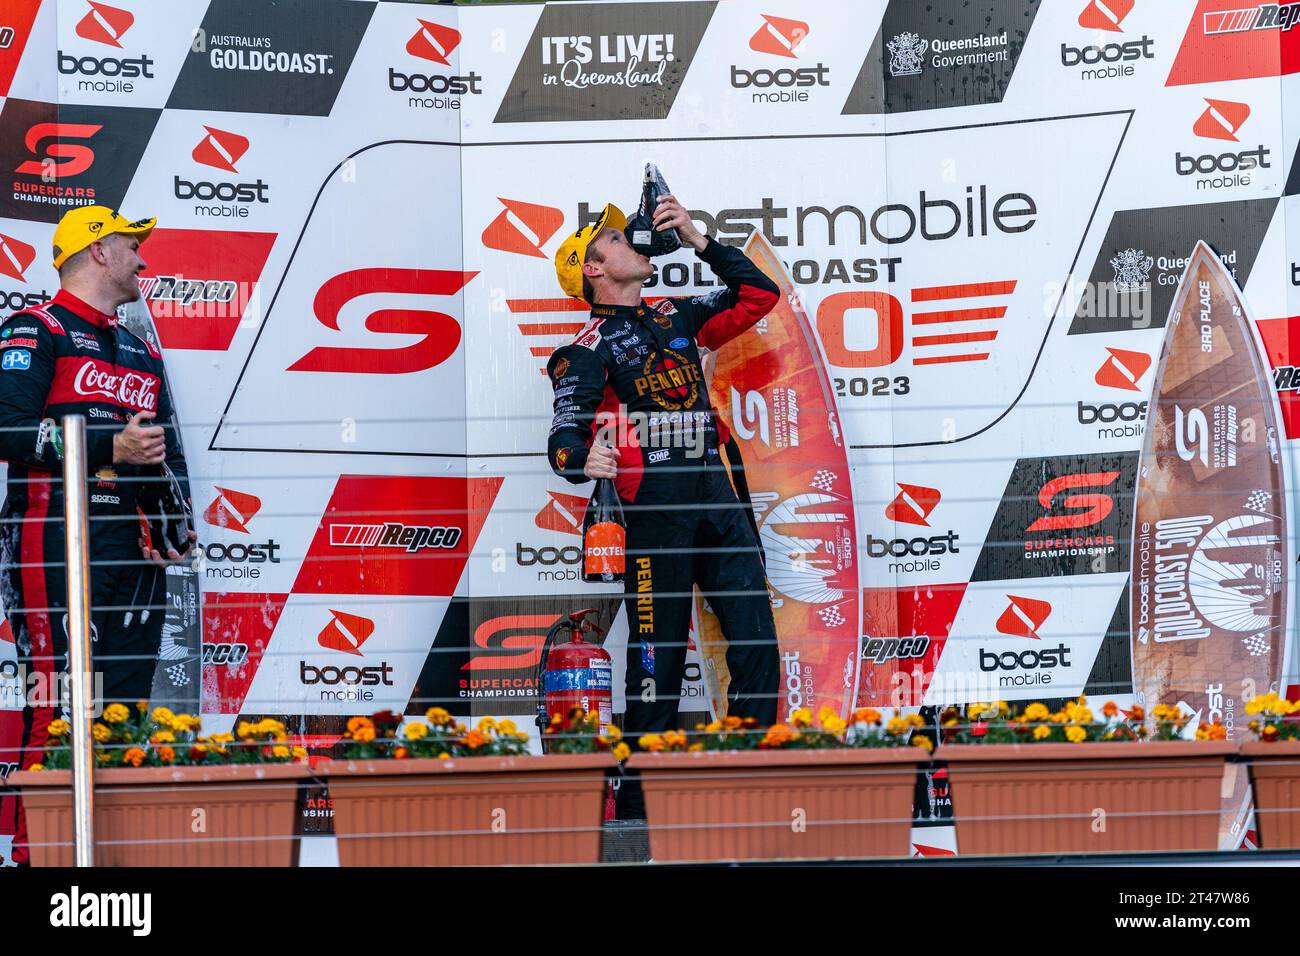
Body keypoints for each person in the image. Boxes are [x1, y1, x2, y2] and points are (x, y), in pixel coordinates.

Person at [546, 195, 781, 748]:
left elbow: (761, 295)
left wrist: (702, 242)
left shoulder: (677, 313)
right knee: (658, 666)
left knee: (756, 646)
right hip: (653, 513)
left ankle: (757, 771)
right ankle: (640, 803)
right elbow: (561, 444)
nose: (632, 238)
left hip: (717, 499)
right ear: (594, 269)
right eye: (615, 239)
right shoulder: (584, 349)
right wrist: (584, 460)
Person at [0, 205, 193, 863]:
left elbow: (163, 449)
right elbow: (6, 430)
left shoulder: (140, 346)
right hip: (54, 536)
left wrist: (177, 523)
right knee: (58, 694)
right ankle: (35, 858)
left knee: (125, 707)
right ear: (98, 252)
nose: (143, 259)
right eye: (131, 245)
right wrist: (110, 443)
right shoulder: (36, 329)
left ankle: (111, 857)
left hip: (134, 547)